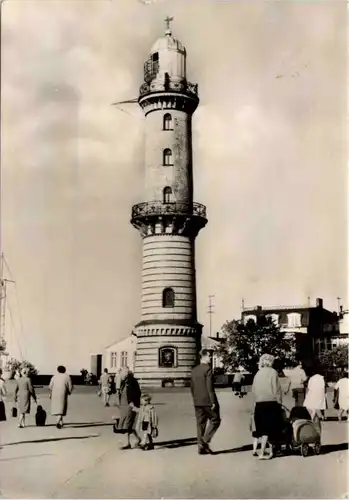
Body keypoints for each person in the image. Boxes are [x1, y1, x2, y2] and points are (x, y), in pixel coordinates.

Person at [251, 353, 283, 459]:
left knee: (263, 428)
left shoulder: (258, 373)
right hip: (271, 403)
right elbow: (277, 389)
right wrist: (280, 403)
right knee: (271, 428)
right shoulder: (273, 373)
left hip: (259, 403)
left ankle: (264, 451)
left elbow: (254, 390)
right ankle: (265, 452)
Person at [190, 349, 221, 455]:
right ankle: (205, 440)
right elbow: (210, 387)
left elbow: (192, 387)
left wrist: (195, 398)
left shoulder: (194, 370)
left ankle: (201, 447)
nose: (211, 358)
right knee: (215, 420)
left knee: (200, 424)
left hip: (197, 401)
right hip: (208, 400)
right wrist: (213, 401)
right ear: (203, 356)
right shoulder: (208, 369)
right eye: (209, 356)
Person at [118, 367, 141, 450]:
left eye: (121, 374)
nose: (120, 375)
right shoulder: (125, 381)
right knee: (128, 425)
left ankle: (127, 443)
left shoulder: (132, 381)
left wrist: (132, 402)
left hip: (129, 405)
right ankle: (138, 439)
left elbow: (136, 393)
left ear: (126, 373)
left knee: (127, 424)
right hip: (124, 406)